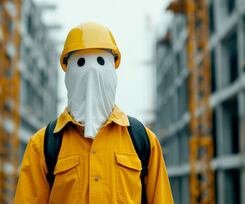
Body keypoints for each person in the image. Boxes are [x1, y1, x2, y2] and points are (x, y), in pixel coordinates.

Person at [14, 22, 174, 204]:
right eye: (81, 63)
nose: (92, 73)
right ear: (68, 72)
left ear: (113, 71)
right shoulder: (42, 146)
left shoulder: (143, 141)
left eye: (101, 62)